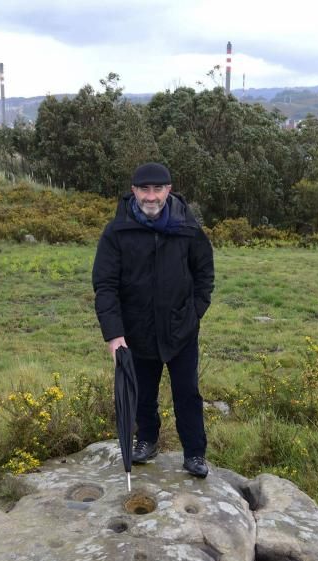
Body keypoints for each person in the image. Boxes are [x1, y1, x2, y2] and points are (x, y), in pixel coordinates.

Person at [92, 162, 215, 478]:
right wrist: (114, 335)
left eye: (157, 189)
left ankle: (195, 454)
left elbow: (204, 273)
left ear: (168, 190)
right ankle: (146, 440)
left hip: (181, 330)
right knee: (143, 392)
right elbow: (105, 285)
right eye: (144, 189)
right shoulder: (117, 232)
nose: (151, 196)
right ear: (133, 191)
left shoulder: (188, 228)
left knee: (187, 392)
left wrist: (194, 312)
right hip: (136, 331)